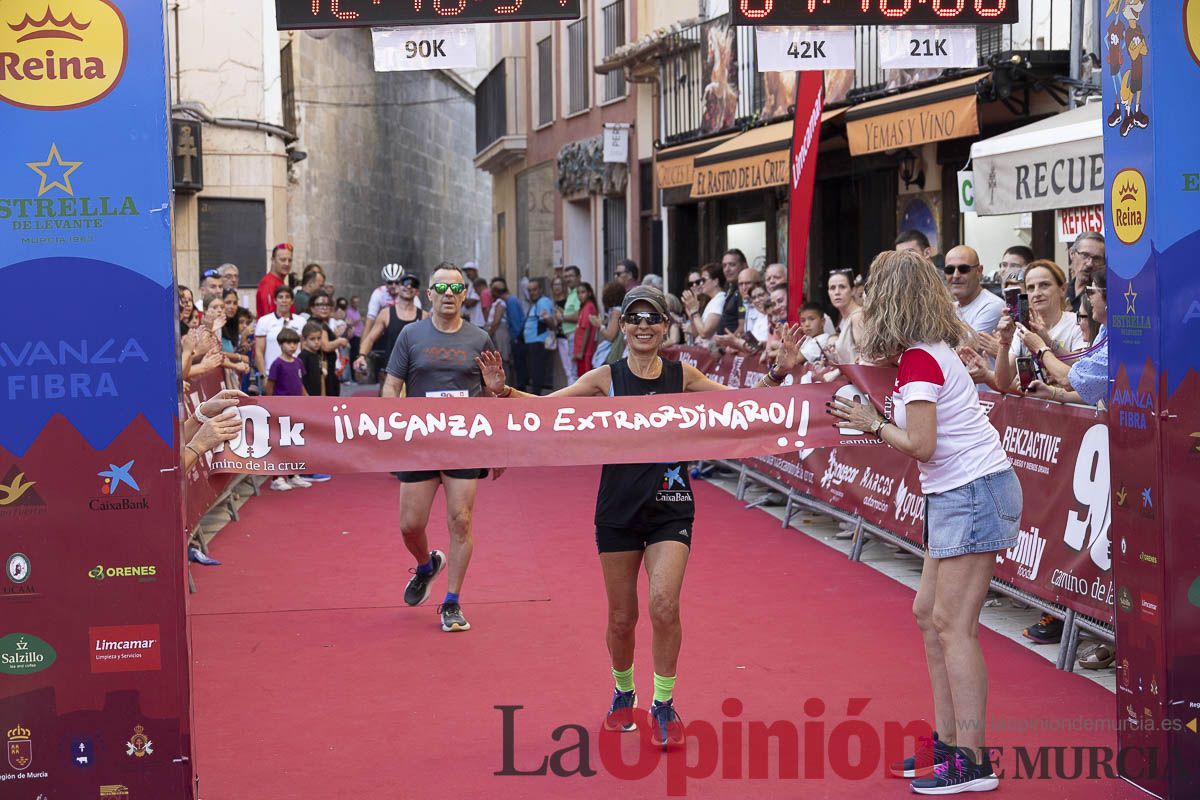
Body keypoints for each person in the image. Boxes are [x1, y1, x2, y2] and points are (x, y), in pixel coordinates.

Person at [475, 285, 807, 749]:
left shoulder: (682, 375)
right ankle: (623, 692)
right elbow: (548, 409)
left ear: (666, 326)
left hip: (671, 508)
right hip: (617, 510)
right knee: (621, 619)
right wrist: (503, 392)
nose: (645, 325)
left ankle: (664, 703)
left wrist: (776, 372)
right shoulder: (605, 377)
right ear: (625, 326)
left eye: (654, 317)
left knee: (664, 605)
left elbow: (740, 406)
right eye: (636, 317)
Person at [829, 250, 1019, 794]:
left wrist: (871, 422)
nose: (862, 300)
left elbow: (920, 444)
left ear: (889, 301)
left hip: (972, 491)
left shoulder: (920, 360)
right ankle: (950, 741)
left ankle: (973, 760)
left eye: (869, 293)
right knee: (928, 615)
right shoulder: (921, 353)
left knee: (952, 626)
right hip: (960, 492)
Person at [383, 263, 500, 634]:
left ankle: (452, 602)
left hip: (465, 443)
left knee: (461, 520)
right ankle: (426, 564)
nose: (449, 294)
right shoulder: (410, 335)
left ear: (465, 294)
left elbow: (496, 394)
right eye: (441, 288)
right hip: (420, 443)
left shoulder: (480, 338)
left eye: (456, 287)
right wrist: (392, 429)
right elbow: (391, 387)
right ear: (429, 294)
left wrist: (498, 446)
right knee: (409, 525)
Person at [993, 260, 1086, 393]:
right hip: (1035, 410)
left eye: (1044, 285)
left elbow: (1082, 374)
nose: (1037, 293)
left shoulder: (1076, 323)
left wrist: (1046, 342)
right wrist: (1004, 342)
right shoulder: (1022, 328)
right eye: (1031, 288)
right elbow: (1002, 383)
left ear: (1063, 289)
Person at [1024, 268, 1108, 407]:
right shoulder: (1105, 329)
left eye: (1091, 292)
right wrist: (1048, 341)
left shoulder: (1118, 339)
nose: (1088, 297)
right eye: (1030, 288)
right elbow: (1082, 364)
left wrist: (1041, 349)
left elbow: (1073, 380)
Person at [355, 273, 425, 390]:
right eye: (405, 283)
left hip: (415, 373)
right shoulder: (386, 314)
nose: (408, 287)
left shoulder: (424, 316)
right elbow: (371, 338)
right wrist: (361, 356)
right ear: (399, 287)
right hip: (391, 373)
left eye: (413, 285)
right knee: (387, 407)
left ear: (417, 292)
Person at [263, 327, 311, 491]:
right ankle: (276, 477)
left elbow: (300, 383)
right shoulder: (277, 364)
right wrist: (273, 405)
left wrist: (307, 398)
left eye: (295, 343)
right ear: (280, 344)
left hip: (296, 409)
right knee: (280, 443)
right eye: (288, 343)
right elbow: (270, 386)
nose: (292, 346)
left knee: (294, 442)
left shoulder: (298, 362)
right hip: (281, 411)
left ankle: (292, 475)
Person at [945, 246, 1004, 335]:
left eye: (964, 269)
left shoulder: (993, 305)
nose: (955, 275)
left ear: (979, 271)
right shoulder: (950, 308)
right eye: (949, 270)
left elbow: (967, 346)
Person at [254, 285, 307, 381]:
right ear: (275, 300)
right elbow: (259, 351)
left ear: (292, 301)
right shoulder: (264, 321)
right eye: (280, 297)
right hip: (271, 375)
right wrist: (263, 376)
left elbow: (304, 349)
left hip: (296, 374)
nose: (284, 300)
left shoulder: (301, 321)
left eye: (287, 297)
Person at [305, 290, 346, 398]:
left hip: (329, 371)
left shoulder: (322, 323)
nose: (324, 308)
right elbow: (326, 346)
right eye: (320, 305)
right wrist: (340, 341)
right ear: (312, 307)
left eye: (327, 305)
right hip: (321, 374)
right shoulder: (315, 324)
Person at [523, 277, 556, 394]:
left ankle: (535, 396)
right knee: (534, 370)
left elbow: (549, 322)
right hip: (533, 342)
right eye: (529, 290)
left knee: (537, 370)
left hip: (538, 342)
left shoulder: (543, 302)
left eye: (534, 290)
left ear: (540, 290)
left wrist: (548, 319)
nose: (532, 293)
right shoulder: (535, 303)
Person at [826, 268, 864, 365]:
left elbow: (865, 358)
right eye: (832, 288)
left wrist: (836, 373)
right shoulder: (843, 320)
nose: (837, 292)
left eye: (842, 287)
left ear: (853, 290)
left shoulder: (858, 316)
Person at [681, 263, 727, 341]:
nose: (701, 284)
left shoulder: (719, 299)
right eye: (690, 284)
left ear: (716, 281)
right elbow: (697, 333)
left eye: (703, 280)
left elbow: (705, 333)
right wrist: (691, 314)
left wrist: (694, 312)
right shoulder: (713, 300)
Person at [1065, 232, 1105, 312]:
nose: (1090, 264)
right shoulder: (1061, 292)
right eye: (1085, 255)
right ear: (1072, 254)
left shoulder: (1103, 299)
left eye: (1096, 258)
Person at [550, 275, 576, 385]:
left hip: (568, 336)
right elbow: (555, 323)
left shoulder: (567, 301)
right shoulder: (553, 302)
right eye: (554, 284)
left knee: (570, 368)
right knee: (567, 368)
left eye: (559, 284)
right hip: (560, 336)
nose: (557, 287)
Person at [257, 243, 294, 317]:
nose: (287, 263)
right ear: (273, 260)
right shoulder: (268, 284)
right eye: (283, 260)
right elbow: (270, 317)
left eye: (289, 260)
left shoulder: (279, 282)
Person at [571, 282, 600, 377]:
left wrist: (581, 352)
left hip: (585, 352)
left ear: (589, 293)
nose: (580, 295)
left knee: (585, 379)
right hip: (582, 351)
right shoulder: (585, 306)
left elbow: (587, 329)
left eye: (583, 292)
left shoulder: (589, 306)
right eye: (578, 293)